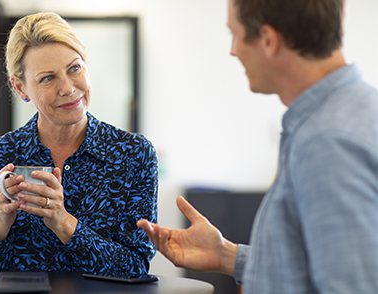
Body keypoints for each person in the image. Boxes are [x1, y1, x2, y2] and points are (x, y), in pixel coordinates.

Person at [137, 0, 378, 293]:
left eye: (235, 34)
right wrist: (227, 255)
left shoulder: (327, 143)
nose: (233, 49)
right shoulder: (351, 112)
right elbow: (316, 265)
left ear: (268, 40)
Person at [0, 12, 158, 276]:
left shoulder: (135, 154)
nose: (68, 88)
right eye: (48, 78)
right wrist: (0, 224)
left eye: (74, 68)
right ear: (20, 88)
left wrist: (64, 223)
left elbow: (136, 267)